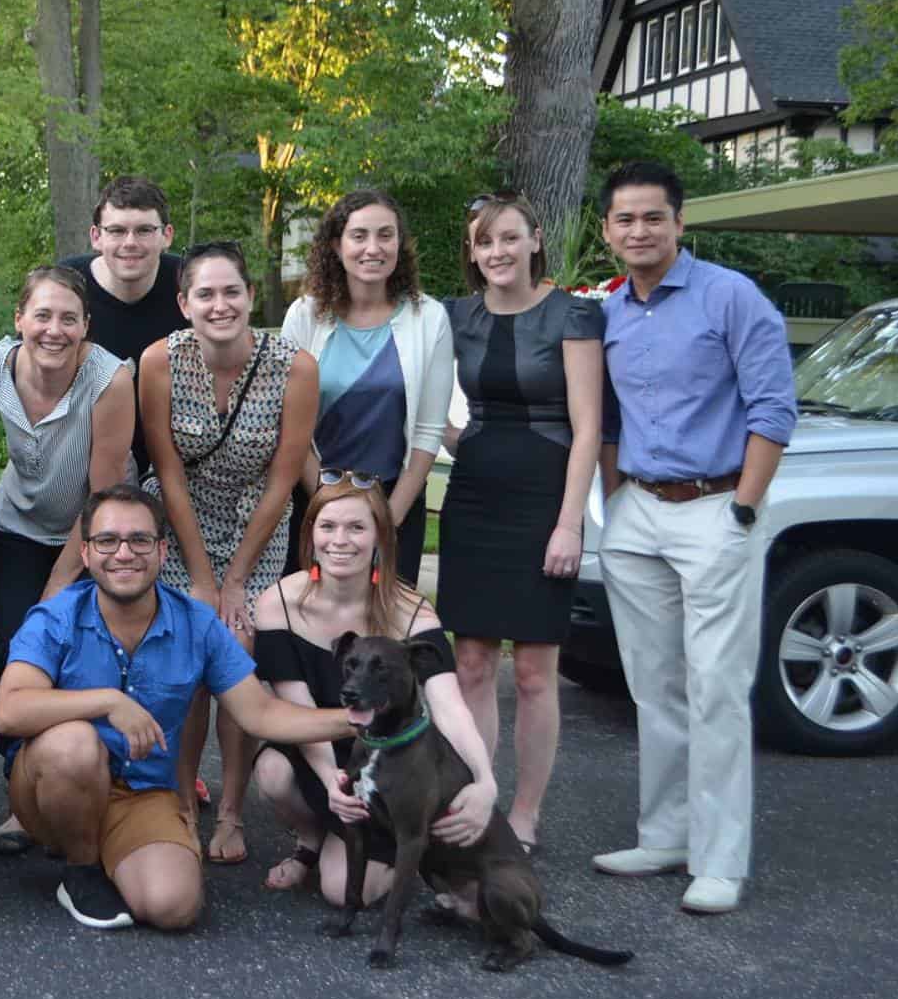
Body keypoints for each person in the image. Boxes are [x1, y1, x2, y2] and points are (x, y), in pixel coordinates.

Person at [0, 485, 356, 931]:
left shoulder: (196, 623)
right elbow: (9, 710)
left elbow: (260, 713)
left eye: (139, 540)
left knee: (174, 907)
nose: (123, 553)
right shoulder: (55, 618)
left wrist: (353, 721)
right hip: (50, 787)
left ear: (162, 551)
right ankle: (81, 869)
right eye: (107, 541)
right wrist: (109, 702)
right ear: (85, 553)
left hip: (141, 792)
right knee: (73, 742)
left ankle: (112, 849)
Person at [591, 160, 796, 916]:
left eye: (654, 217)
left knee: (716, 689)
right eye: (625, 219)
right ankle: (666, 835)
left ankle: (719, 859)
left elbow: (773, 409)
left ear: (680, 222)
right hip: (638, 510)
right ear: (608, 231)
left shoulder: (730, 297)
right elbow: (608, 419)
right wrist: (616, 497)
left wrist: (743, 509)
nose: (640, 230)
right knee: (654, 686)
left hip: (716, 507)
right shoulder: (610, 311)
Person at [0, 265, 134, 855]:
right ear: (19, 320)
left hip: (96, 534)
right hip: (17, 529)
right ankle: (22, 798)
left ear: (86, 326)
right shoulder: (1, 363)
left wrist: (60, 581)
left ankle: (95, 781)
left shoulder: (109, 381)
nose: (55, 329)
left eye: (68, 319)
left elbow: (103, 496)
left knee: (84, 659)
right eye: (42, 316)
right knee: (18, 659)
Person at [140, 240, 318, 866]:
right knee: (188, 654)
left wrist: (236, 578)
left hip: (257, 525)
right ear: (184, 303)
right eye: (206, 294)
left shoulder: (295, 367)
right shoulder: (159, 361)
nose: (220, 305)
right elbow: (167, 471)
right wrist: (199, 576)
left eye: (231, 292)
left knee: (237, 654)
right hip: (181, 520)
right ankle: (182, 803)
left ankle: (234, 811)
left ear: (250, 296)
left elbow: (284, 480)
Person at [437, 192, 604, 854]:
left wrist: (570, 525)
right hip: (474, 495)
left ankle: (526, 813)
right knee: (472, 663)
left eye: (509, 237)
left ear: (536, 239)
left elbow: (588, 429)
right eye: (484, 242)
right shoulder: (456, 316)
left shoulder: (573, 314)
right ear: (472, 252)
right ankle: (479, 798)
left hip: (543, 500)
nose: (497, 252)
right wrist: (442, 436)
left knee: (534, 671)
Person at [251, 476, 499, 906]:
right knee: (273, 771)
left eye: (356, 528)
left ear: (380, 537)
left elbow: (450, 709)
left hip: (392, 761)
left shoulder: (411, 611)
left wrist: (486, 781)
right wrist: (334, 782)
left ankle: (407, 848)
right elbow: (299, 711)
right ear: (310, 534)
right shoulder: (278, 604)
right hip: (320, 749)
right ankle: (312, 842)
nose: (339, 541)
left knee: (343, 893)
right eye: (327, 526)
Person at [280, 188, 452, 586]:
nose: (373, 248)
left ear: (400, 243)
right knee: (311, 615)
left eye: (385, 235)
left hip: (395, 501)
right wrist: (330, 510)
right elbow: (289, 426)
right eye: (359, 236)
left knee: (384, 621)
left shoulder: (429, 319)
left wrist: (386, 521)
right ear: (336, 245)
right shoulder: (305, 316)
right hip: (313, 502)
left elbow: (428, 432)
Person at [58, 175, 187, 479]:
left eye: (144, 230)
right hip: (81, 460)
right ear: (96, 236)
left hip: (176, 461)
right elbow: (27, 365)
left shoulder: (192, 284)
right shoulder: (66, 284)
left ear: (166, 235)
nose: (130, 242)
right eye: (116, 230)